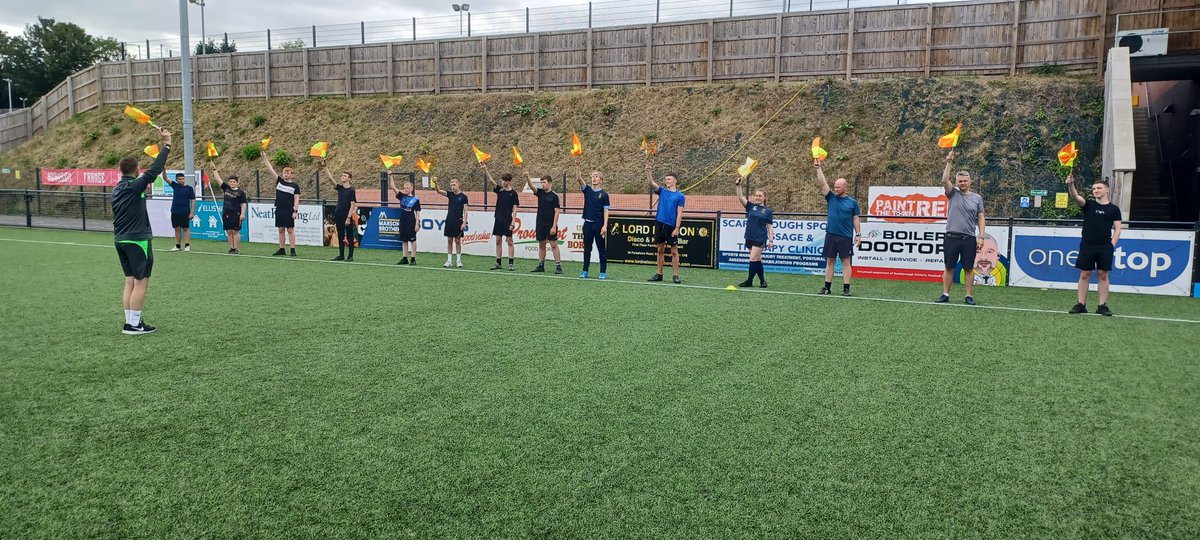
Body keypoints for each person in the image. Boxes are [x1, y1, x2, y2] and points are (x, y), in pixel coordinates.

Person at [112, 127, 171, 335]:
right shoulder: (133, 186)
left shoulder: (118, 188)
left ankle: (130, 321)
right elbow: (154, 171)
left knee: (130, 281)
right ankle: (134, 324)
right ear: (136, 170)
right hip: (137, 240)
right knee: (141, 282)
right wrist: (167, 144)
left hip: (120, 240)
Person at [1066, 172, 1122, 316]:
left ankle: (1102, 306)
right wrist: (1070, 185)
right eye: (1094, 189)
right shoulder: (1088, 205)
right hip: (1087, 245)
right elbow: (1075, 197)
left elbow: (1118, 228)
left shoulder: (1114, 209)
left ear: (1107, 190)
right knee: (1085, 274)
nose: (1096, 190)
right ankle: (1081, 304)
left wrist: (1111, 245)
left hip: (1105, 247)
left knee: (1103, 275)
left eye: (1099, 188)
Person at [936, 149, 986, 305]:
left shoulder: (977, 198)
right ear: (957, 182)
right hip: (951, 237)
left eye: (965, 181)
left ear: (970, 181)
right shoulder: (952, 193)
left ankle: (968, 296)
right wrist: (949, 162)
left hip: (969, 239)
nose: (963, 183)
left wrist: (981, 236)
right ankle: (945, 294)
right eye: (960, 181)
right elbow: (944, 180)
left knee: (969, 268)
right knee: (949, 267)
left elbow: (981, 217)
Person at [814, 160, 861, 296]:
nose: (836, 189)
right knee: (830, 261)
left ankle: (846, 288)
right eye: (835, 186)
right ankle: (827, 287)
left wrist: (858, 234)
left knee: (846, 261)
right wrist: (818, 168)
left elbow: (855, 218)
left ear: (845, 188)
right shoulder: (831, 198)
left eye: (839, 187)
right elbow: (823, 183)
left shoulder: (852, 203)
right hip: (831, 235)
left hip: (845, 236)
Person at [646, 161, 686, 284]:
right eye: (666, 179)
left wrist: (677, 227)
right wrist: (648, 172)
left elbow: (679, 213)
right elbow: (651, 183)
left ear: (675, 181)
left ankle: (675, 275)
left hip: (671, 226)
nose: (667, 181)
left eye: (669, 179)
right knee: (660, 250)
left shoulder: (680, 196)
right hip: (659, 224)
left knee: (674, 251)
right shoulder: (662, 191)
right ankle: (659, 274)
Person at [735, 175, 773, 288]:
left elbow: (770, 227)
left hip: (760, 238)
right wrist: (738, 185)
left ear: (764, 197)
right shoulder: (751, 207)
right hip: (749, 236)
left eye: (760, 196)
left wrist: (771, 240)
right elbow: (740, 197)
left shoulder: (767, 211)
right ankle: (762, 281)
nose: (757, 197)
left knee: (753, 259)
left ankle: (749, 281)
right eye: (756, 195)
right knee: (757, 260)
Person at [261, 151, 300, 256]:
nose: (286, 174)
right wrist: (265, 158)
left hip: (289, 210)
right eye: (284, 172)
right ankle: (281, 249)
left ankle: (292, 249)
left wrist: (295, 211)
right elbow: (270, 170)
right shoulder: (279, 181)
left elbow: (296, 199)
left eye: (288, 173)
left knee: (290, 230)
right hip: (279, 209)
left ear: (292, 175)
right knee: (281, 229)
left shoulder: (295, 186)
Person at [575, 163, 610, 280]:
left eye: (596, 176)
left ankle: (602, 272)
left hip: (599, 225)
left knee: (601, 249)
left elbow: (606, 211)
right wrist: (577, 165)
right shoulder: (588, 190)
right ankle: (585, 270)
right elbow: (579, 178)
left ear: (601, 180)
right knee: (587, 249)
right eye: (593, 176)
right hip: (588, 224)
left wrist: (605, 226)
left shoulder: (604, 195)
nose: (594, 178)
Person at [481, 163, 519, 270]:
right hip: (498, 219)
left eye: (504, 180)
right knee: (498, 240)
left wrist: (513, 222)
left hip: (508, 220)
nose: (502, 182)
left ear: (508, 181)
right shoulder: (500, 190)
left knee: (510, 241)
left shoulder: (513, 193)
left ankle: (511, 263)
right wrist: (485, 170)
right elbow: (491, 181)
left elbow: (515, 209)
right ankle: (498, 262)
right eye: (502, 180)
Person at [320, 160, 357, 262]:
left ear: (349, 179)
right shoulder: (340, 188)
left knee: (349, 236)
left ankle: (350, 256)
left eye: (345, 176)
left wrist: (349, 217)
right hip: (339, 215)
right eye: (342, 175)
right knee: (340, 235)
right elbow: (330, 179)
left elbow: (352, 205)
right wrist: (325, 167)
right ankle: (341, 255)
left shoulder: (351, 191)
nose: (343, 177)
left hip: (347, 216)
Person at [527, 173, 563, 274]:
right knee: (541, 244)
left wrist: (554, 226)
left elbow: (557, 212)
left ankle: (558, 266)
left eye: (544, 182)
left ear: (550, 183)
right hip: (540, 223)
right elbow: (531, 186)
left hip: (550, 224)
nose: (542, 184)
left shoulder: (554, 196)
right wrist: (527, 177)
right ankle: (541, 265)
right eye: (541, 182)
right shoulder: (540, 193)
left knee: (554, 244)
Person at [209, 165, 247, 254]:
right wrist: (214, 169)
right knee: (229, 231)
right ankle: (231, 248)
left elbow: (244, 203)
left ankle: (236, 248)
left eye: (234, 182)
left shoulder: (241, 193)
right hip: (226, 213)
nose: (232, 183)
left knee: (235, 231)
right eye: (231, 181)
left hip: (236, 214)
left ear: (237, 183)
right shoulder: (226, 188)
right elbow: (218, 179)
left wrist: (242, 214)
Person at [432, 178, 469, 268]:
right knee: (449, 240)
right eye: (451, 185)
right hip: (449, 220)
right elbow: (438, 191)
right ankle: (449, 260)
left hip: (458, 220)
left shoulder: (464, 197)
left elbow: (466, 211)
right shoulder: (450, 194)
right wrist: (436, 182)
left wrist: (464, 222)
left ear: (458, 184)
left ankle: (459, 261)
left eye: (454, 185)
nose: (452, 187)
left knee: (457, 241)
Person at [388, 175, 421, 265]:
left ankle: (413, 258)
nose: (405, 189)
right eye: (404, 188)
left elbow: (418, 212)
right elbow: (393, 187)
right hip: (403, 221)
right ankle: (405, 258)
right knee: (404, 240)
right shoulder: (401, 196)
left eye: (407, 188)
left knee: (413, 240)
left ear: (411, 188)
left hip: (411, 221)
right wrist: (390, 176)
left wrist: (417, 224)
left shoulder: (415, 199)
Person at [167, 172, 196, 252]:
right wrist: (164, 169)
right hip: (175, 211)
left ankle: (187, 246)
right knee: (177, 228)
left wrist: (192, 212)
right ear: (176, 180)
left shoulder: (189, 188)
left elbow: (193, 200)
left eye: (183, 179)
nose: (181, 180)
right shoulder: (175, 186)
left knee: (186, 229)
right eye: (179, 179)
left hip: (185, 212)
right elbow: (165, 178)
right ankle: (177, 246)